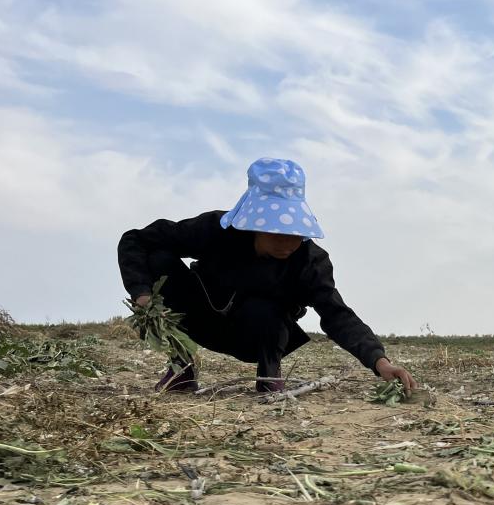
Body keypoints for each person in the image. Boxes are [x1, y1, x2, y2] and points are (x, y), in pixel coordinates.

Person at [117, 157, 416, 394]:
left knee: (266, 307)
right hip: (200, 318)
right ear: (253, 224)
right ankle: (182, 368)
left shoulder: (310, 261)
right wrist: (142, 293)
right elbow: (135, 240)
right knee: (158, 258)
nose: (288, 243)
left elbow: (337, 314)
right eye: (277, 233)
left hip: (257, 337)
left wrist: (380, 362)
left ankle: (268, 377)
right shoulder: (216, 231)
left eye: (295, 234)